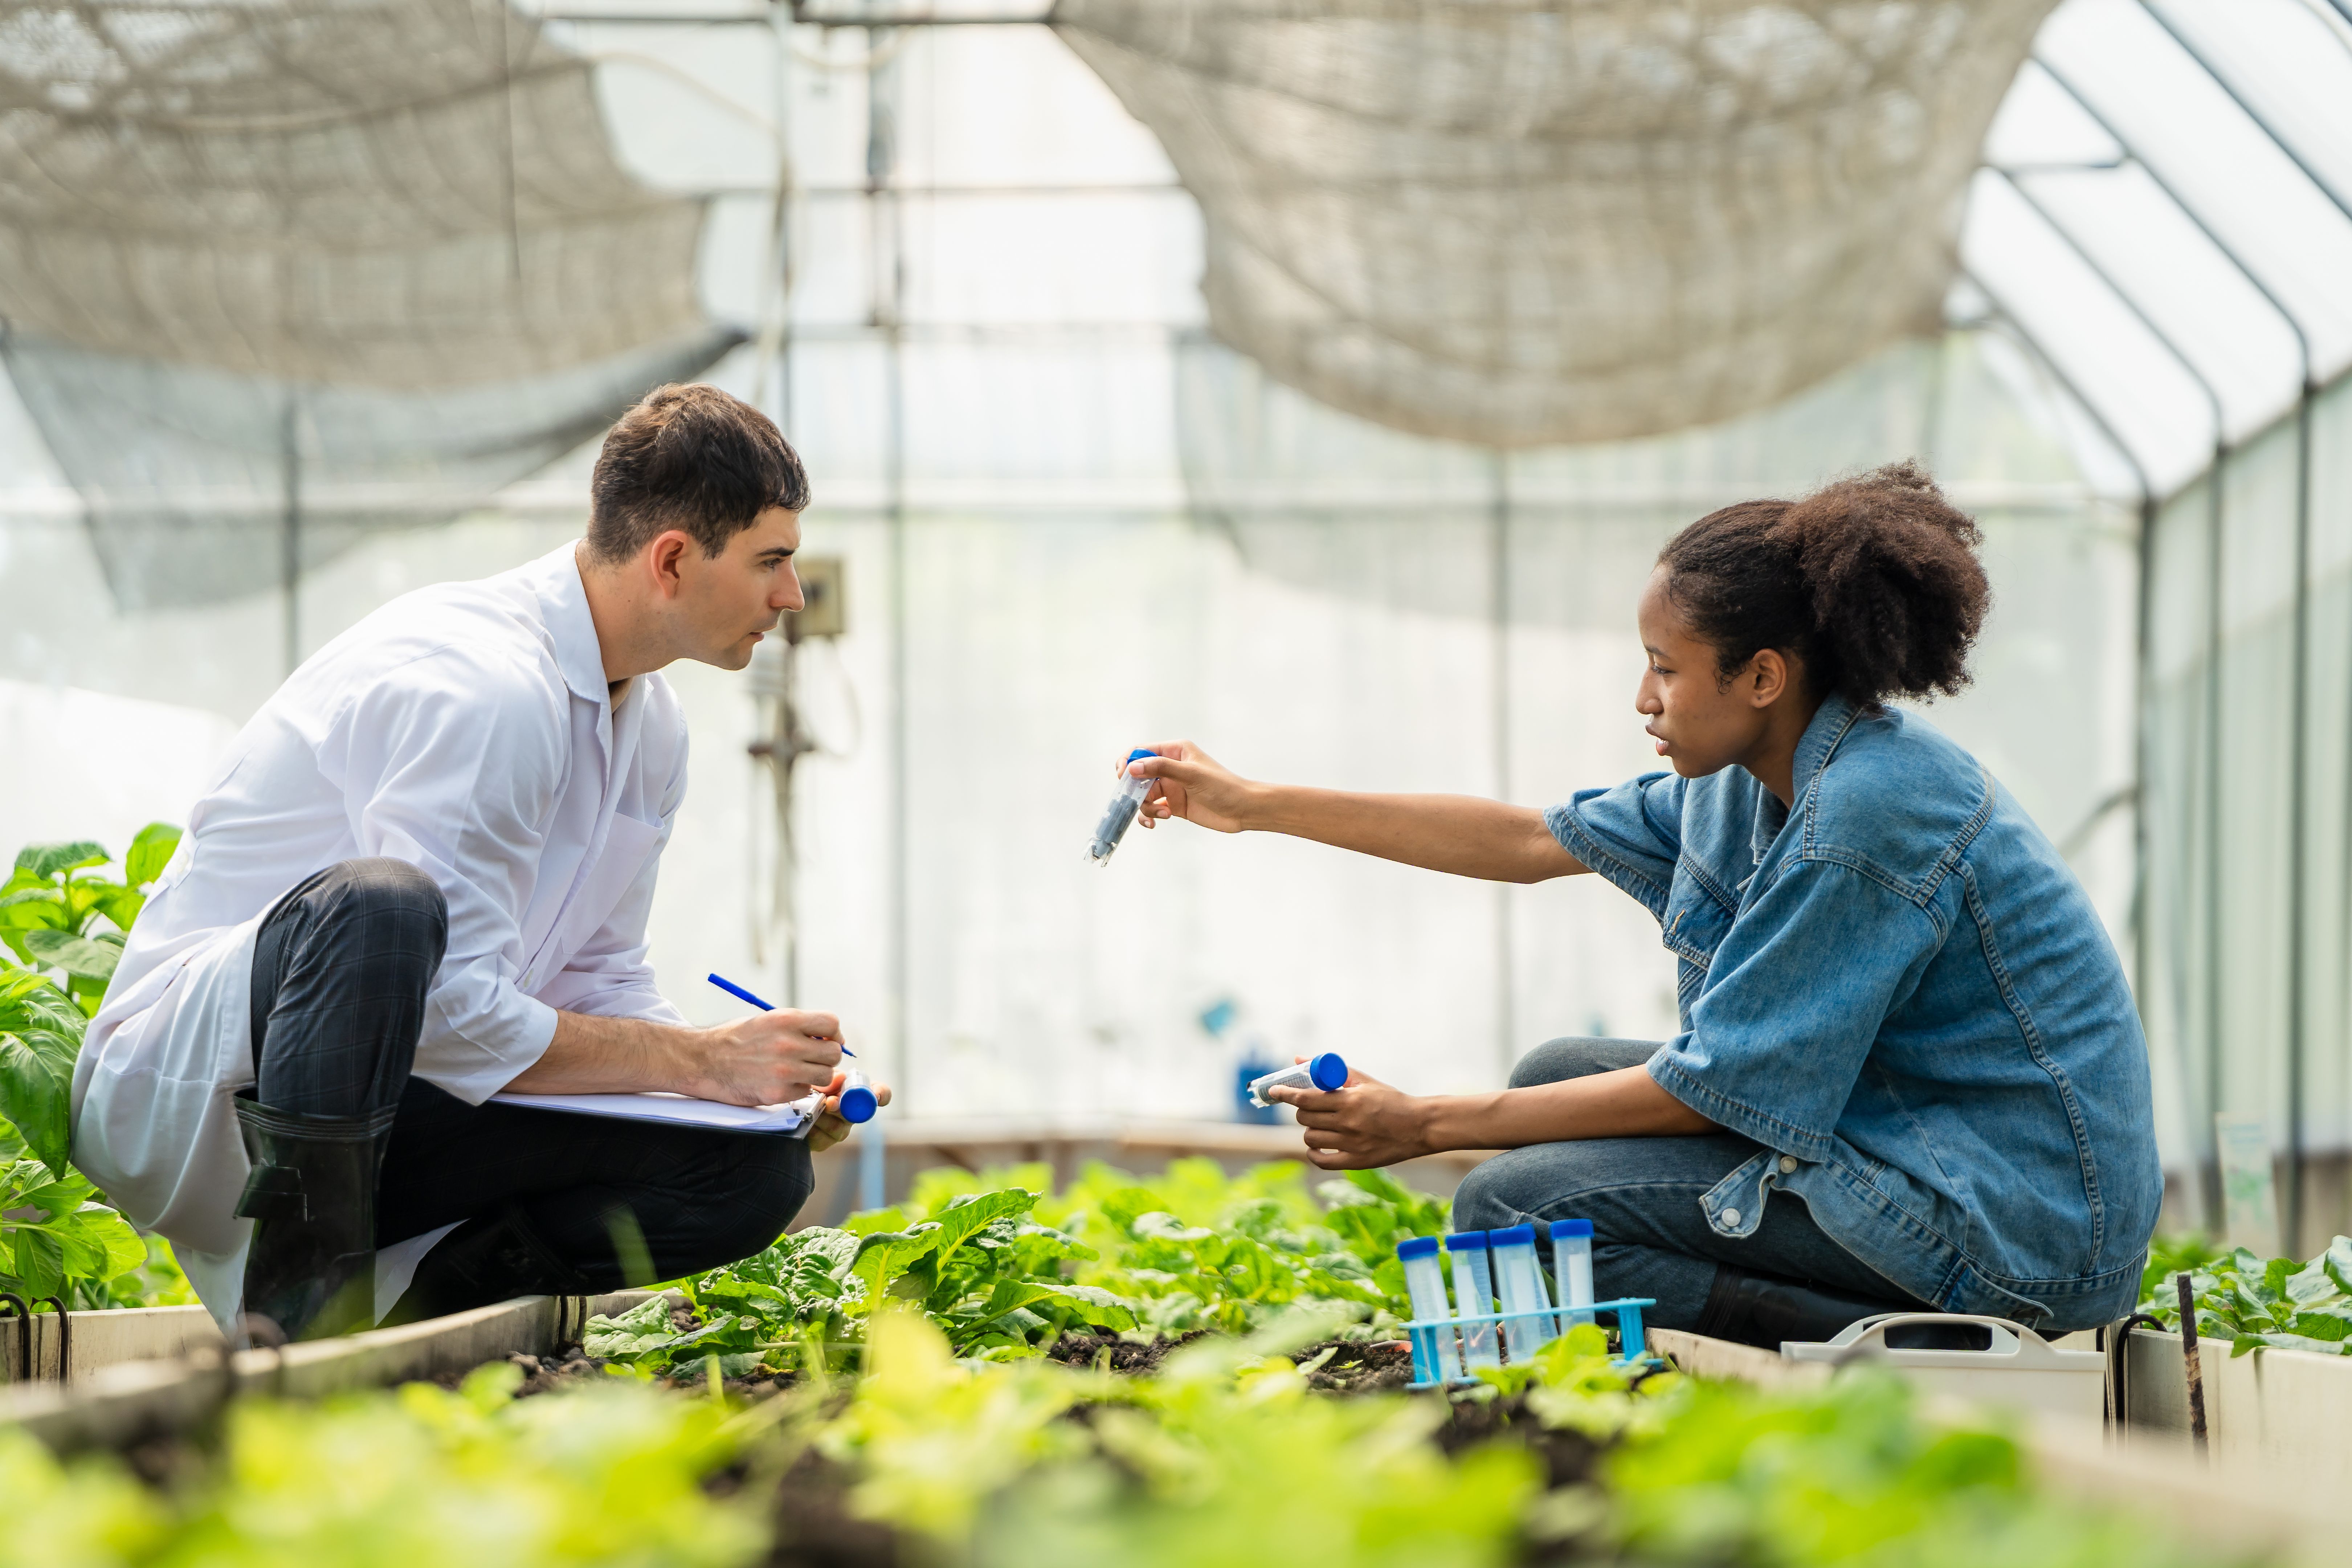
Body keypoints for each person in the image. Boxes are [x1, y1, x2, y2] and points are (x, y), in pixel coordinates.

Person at [1127, 462, 2160, 1347]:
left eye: (1666, 669)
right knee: (1554, 1077)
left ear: (1762, 677)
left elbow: (1717, 1087)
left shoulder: (1867, 817)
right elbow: (1527, 841)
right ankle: (1646, 1336)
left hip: (2012, 1227)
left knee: (1509, 1204)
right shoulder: (1747, 781)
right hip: (1906, 1134)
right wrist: (1253, 804)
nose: (1643, 698)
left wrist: (1426, 1121)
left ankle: (1855, 1345)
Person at [74, 383, 887, 1342]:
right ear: (672, 560)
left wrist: (749, 1095)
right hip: (208, 1098)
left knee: (752, 1173)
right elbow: (444, 1006)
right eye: (771, 561)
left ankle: (406, 1347)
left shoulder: (652, 726)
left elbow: (599, 978)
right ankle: (296, 1332)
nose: (792, 597)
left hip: (390, 1104)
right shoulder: (484, 685)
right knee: (381, 909)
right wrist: (701, 1064)